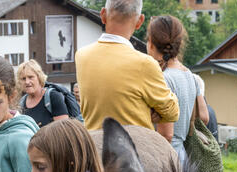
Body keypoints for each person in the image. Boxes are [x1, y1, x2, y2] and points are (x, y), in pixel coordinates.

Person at [75, 0, 178, 131]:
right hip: (135, 146)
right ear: (140, 21)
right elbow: (172, 112)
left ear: (103, 14)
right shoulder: (144, 63)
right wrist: (150, 110)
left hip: (94, 146)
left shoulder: (81, 56)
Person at [146, 15, 209, 164]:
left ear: (152, 45)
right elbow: (205, 117)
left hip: (165, 158)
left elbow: (166, 135)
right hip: (183, 156)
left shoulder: (164, 79)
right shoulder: (190, 76)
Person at [17, 59, 68, 127]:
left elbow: (63, 129)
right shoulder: (22, 103)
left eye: (30, 77)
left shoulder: (53, 97)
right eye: (23, 79)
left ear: (39, 77)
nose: (27, 82)